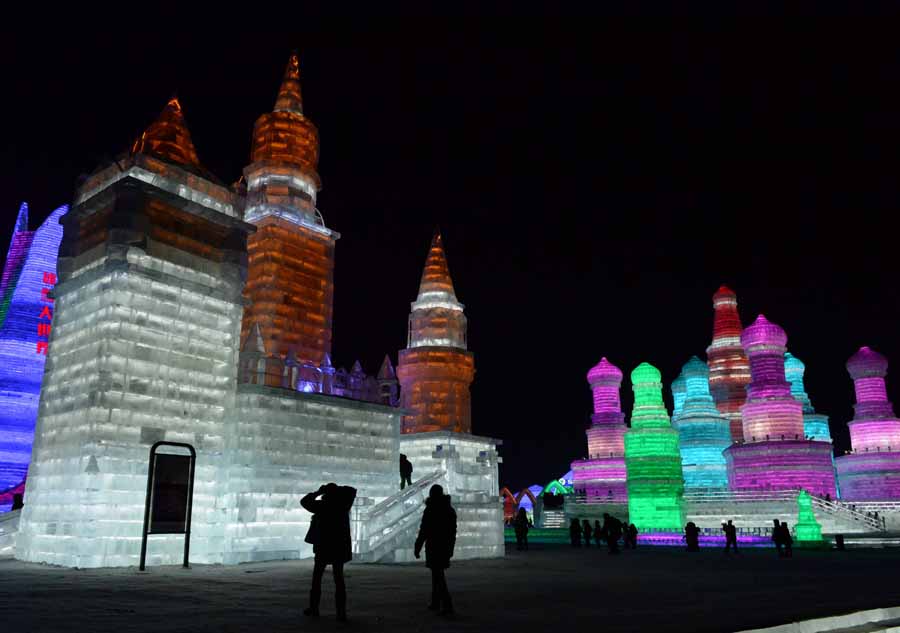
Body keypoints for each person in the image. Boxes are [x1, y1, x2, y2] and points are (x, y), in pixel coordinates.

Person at [301, 482, 357, 621]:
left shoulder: (322, 506)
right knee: (339, 580)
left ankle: (314, 608)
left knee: (317, 578)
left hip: (323, 546)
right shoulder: (343, 505)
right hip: (338, 547)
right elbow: (351, 490)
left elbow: (304, 501)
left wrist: (318, 492)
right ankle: (341, 613)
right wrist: (335, 490)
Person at [414, 484, 457, 616]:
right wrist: (451, 548)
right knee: (437, 574)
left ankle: (447, 604)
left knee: (438, 575)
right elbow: (452, 532)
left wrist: (417, 546)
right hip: (444, 546)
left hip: (434, 546)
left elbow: (424, 530)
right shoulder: (449, 510)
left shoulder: (431, 509)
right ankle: (436, 601)